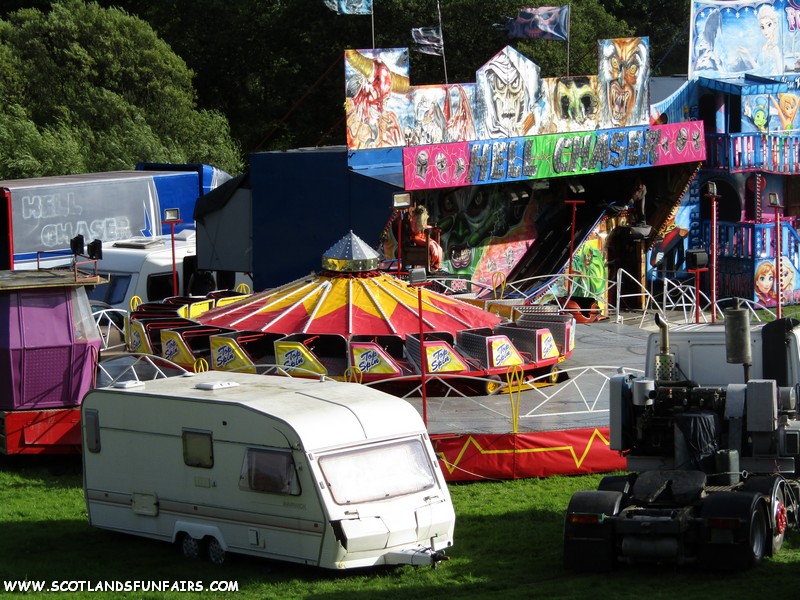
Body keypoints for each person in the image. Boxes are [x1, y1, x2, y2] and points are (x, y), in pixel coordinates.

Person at [410, 204, 444, 271]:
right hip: (416, 237)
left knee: (438, 247)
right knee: (431, 246)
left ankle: (436, 265)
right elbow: (416, 230)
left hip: (423, 236)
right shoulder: (413, 219)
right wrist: (424, 228)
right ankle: (432, 264)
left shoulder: (420, 219)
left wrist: (430, 227)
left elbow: (424, 225)